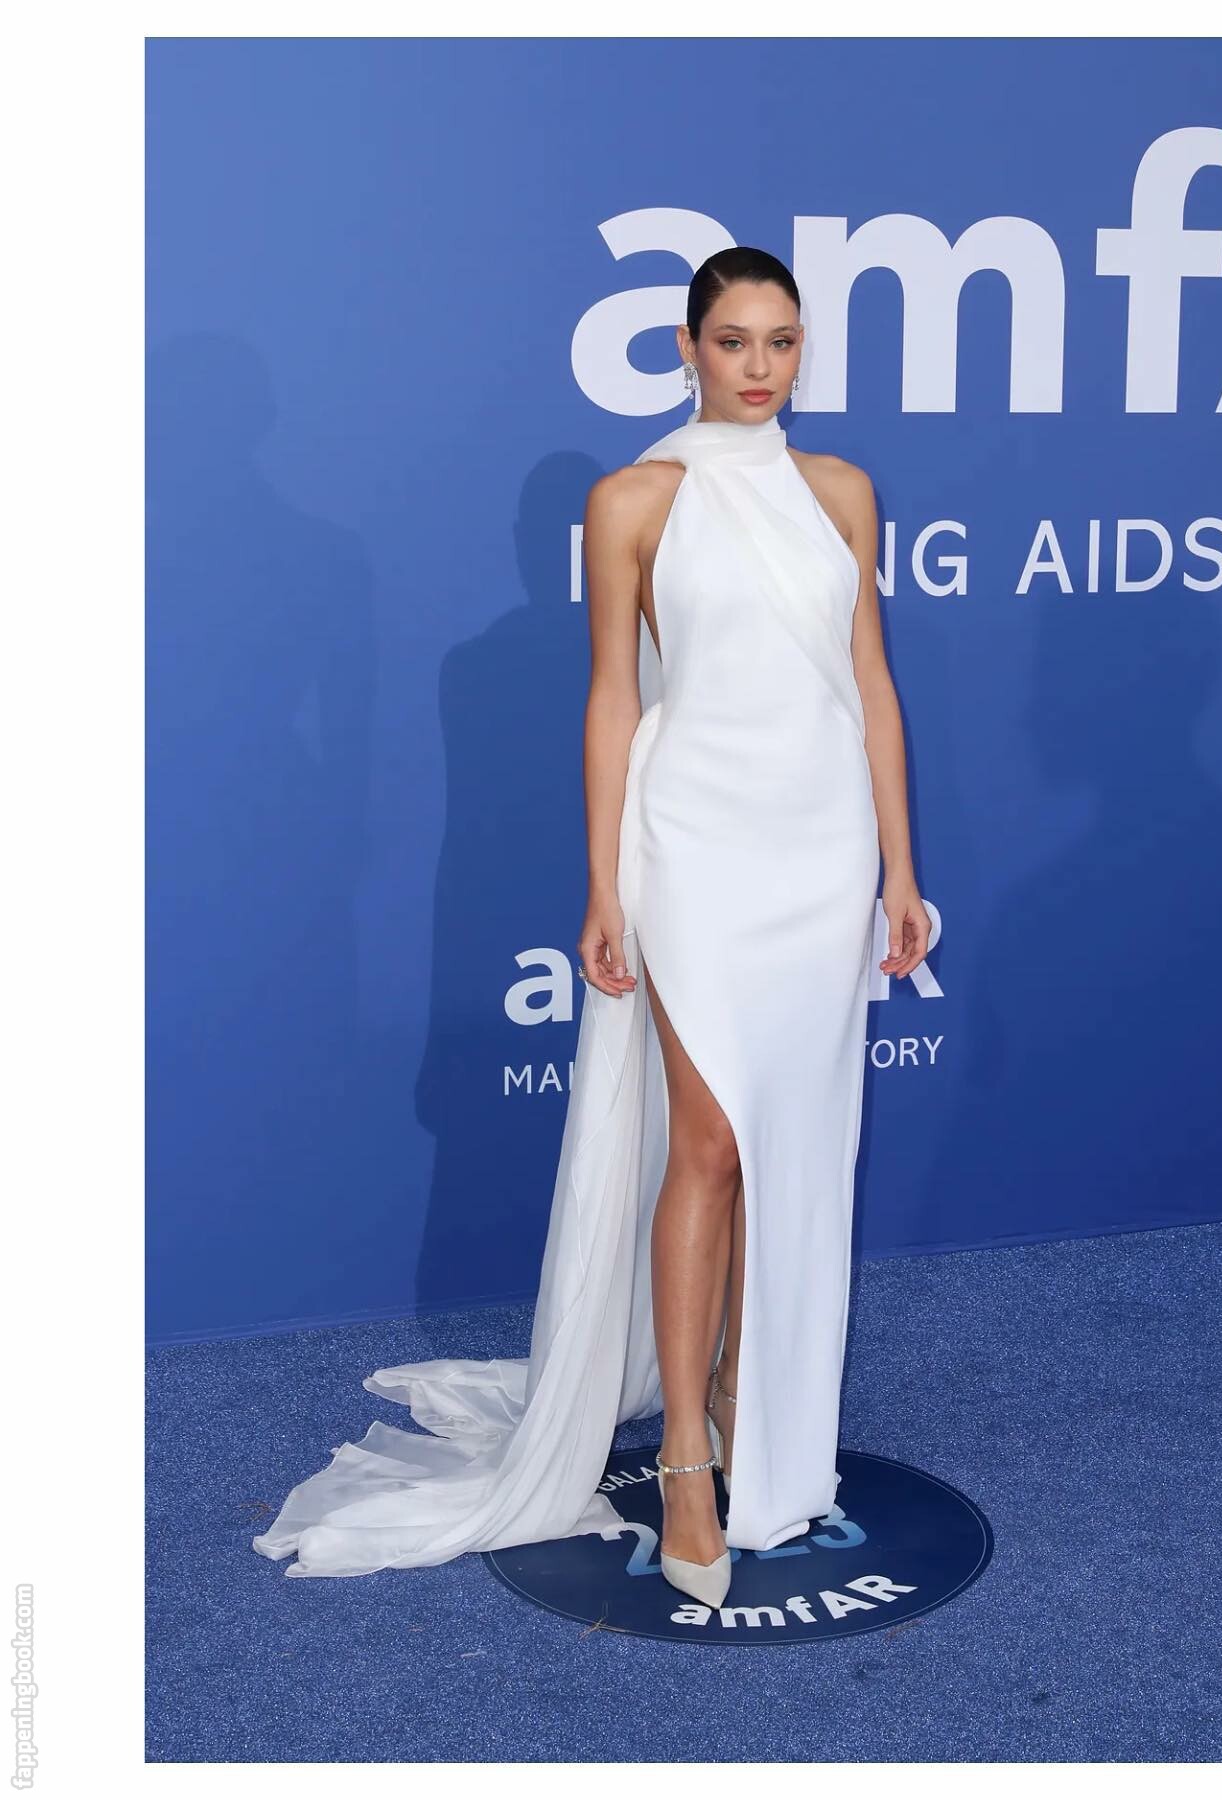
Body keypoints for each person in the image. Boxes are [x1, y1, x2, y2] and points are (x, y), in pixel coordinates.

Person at [252, 248, 929, 1602]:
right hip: (696, 844)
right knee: (710, 1142)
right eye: (732, 341)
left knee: (785, 1144)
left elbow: (871, 681)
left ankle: (742, 1394)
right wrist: (605, 887)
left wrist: (899, 874)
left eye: (782, 341)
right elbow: (615, 696)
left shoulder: (843, 492)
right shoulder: (631, 499)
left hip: (821, 846)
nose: (758, 366)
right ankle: (683, 1458)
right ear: (686, 349)